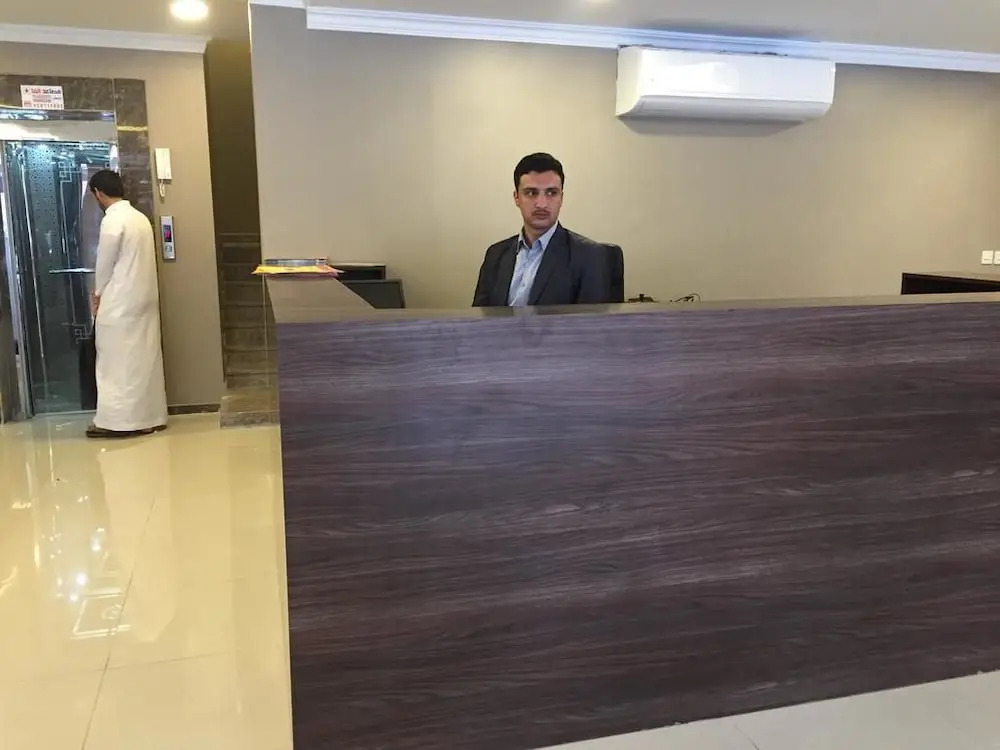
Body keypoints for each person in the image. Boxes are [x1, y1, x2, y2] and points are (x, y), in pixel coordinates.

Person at [86, 170, 168, 439]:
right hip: (144, 299)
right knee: (143, 359)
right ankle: (148, 418)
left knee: (115, 362)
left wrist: (97, 294)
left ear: (99, 193)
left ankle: (117, 421)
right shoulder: (140, 218)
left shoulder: (113, 220)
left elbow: (104, 263)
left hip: (120, 301)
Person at [472, 152, 611, 307]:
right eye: (531, 193)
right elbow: (479, 316)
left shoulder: (588, 255)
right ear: (516, 198)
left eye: (551, 193)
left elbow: (590, 321)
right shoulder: (495, 254)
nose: (541, 204)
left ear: (561, 198)